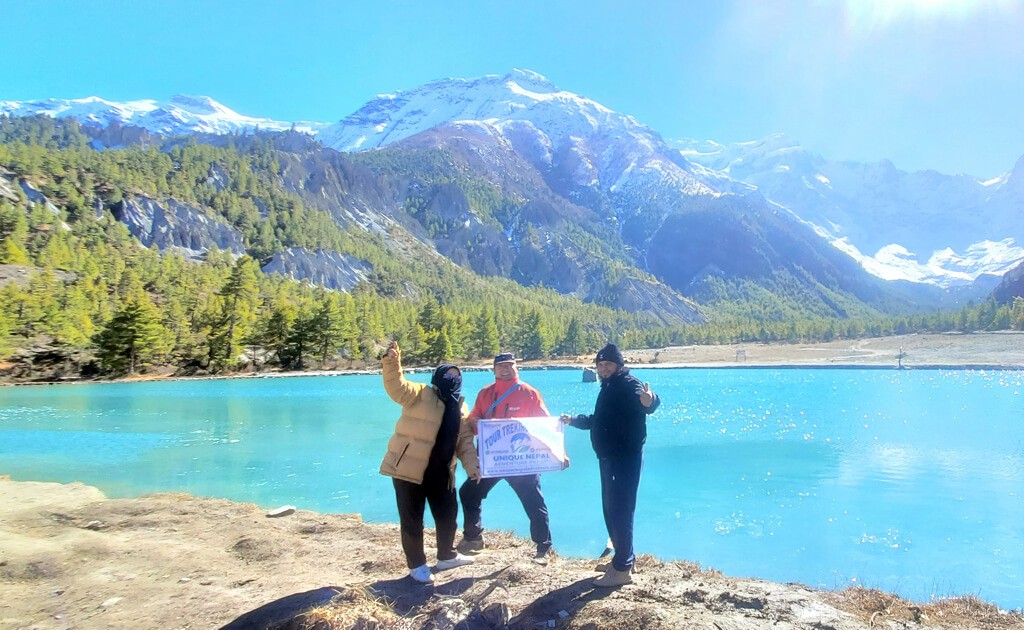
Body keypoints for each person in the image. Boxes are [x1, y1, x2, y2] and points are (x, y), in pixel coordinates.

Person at [379, 340, 480, 584]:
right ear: (437, 377)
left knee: (448, 516)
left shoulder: (461, 406)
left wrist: (473, 468)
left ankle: (447, 556)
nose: (452, 380)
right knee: (412, 519)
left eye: (456, 376)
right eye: (448, 375)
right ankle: (417, 565)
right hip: (408, 469)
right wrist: (392, 363)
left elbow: (465, 443)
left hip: (442, 472)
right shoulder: (420, 392)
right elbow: (396, 386)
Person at [561, 342, 660, 587]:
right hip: (609, 458)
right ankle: (623, 559)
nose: (604, 368)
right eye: (601, 364)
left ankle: (622, 569)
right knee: (611, 509)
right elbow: (598, 421)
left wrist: (650, 401)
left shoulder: (628, 383)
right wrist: (572, 420)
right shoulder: (609, 386)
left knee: (620, 510)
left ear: (619, 365)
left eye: (608, 364)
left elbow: (647, 403)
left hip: (624, 459)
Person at [458, 352, 555, 565]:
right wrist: (475, 423)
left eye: (509, 365)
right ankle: (473, 538)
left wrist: (558, 453)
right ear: (493, 370)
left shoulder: (529, 393)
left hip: (521, 461)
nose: (505, 369)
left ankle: (544, 548)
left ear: (516, 367)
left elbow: (546, 425)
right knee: (469, 492)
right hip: (491, 460)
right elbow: (474, 416)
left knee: (533, 502)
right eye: (501, 366)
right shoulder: (485, 393)